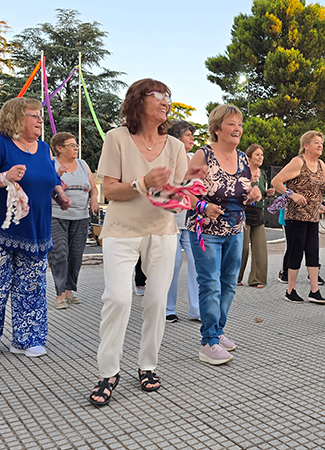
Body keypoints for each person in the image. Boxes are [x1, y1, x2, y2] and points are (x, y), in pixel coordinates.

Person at [90, 79, 194, 406]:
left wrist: (185, 197)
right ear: (138, 100)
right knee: (118, 299)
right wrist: (142, 182)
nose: (166, 101)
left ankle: (147, 365)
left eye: (168, 95)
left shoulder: (176, 148)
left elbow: (177, 194)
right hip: (122, 229)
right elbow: (110, 191)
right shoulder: (116, 138)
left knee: (157, 303)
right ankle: (109, 371)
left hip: (161, 230)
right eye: (158, 95)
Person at [0, 97, 71, 358]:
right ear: (15, 118)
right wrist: (2, 177)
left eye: (40, 115)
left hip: (33, 232)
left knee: (31, 286)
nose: (40, 120)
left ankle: (27, 338)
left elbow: (50, 177)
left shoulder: (44, 149)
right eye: (34, 115)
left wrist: (58, 193)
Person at [188, 104, 261, 365]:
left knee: (229, 283)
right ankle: (208, 341)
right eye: (231, 123)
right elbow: (186, 192)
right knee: (210, 284)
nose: (237, 128)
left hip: (236, 229)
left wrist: (255, 194)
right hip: (206, 231)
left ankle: (218, 331)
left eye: (239, 124)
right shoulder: (203, 155)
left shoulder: (243, 158)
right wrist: (204, 206)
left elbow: (247, 191)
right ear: (217, 128)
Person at [271, 131, 325, 304]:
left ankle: (314, 291)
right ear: (305, 145)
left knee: (313, 252)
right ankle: (290, 290)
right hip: (296, 215)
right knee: (296, 251)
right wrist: (292, 194)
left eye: (321, 142)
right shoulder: (298, 161)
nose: (320, 145)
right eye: (316, 142)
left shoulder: (321, 164)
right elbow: (276, 181)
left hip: (313, 216)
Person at [47, 132, 99, 310]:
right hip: (56, 216)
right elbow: (44, 187)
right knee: (60, 253)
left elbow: (93, 188)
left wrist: (94, 198)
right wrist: (57, 173)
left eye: (76, 144)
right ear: (59, 148)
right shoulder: (51, 164)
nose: (75, 148)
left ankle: (69, 290)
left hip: (81, 217)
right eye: (71, 145)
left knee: (76, 255)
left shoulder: (83, 165)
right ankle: (60, 294)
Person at [166, 121, 201, 323]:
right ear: (177, 138)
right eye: (188, 135)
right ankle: (168, 308)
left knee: (197, 263)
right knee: (173, 264)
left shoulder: (192, 158)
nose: (192, 139)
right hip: (170, 220)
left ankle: (196, 309)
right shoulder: (167, 159)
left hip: (191, 221)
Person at [238, 144, 274, 289]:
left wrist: (267, 193)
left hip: (259, 214)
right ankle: (235, 277)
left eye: (262, 155)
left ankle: (257, 279)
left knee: (260, 248)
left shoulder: (263, 174)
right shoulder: (242, 171)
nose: (260, 157)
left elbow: (261, 193)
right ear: (249, 156)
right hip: (244, 213)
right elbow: (235, 190)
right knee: (243, 248)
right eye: (257, 154)